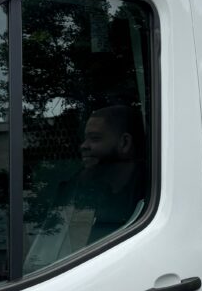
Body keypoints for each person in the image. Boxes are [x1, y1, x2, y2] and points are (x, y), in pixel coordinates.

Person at [25, 104, 147, 270]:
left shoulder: (149, 196)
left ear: (124, 143)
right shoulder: (95, 190)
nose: (83, 146)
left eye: (95, 138)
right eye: (85, 139)